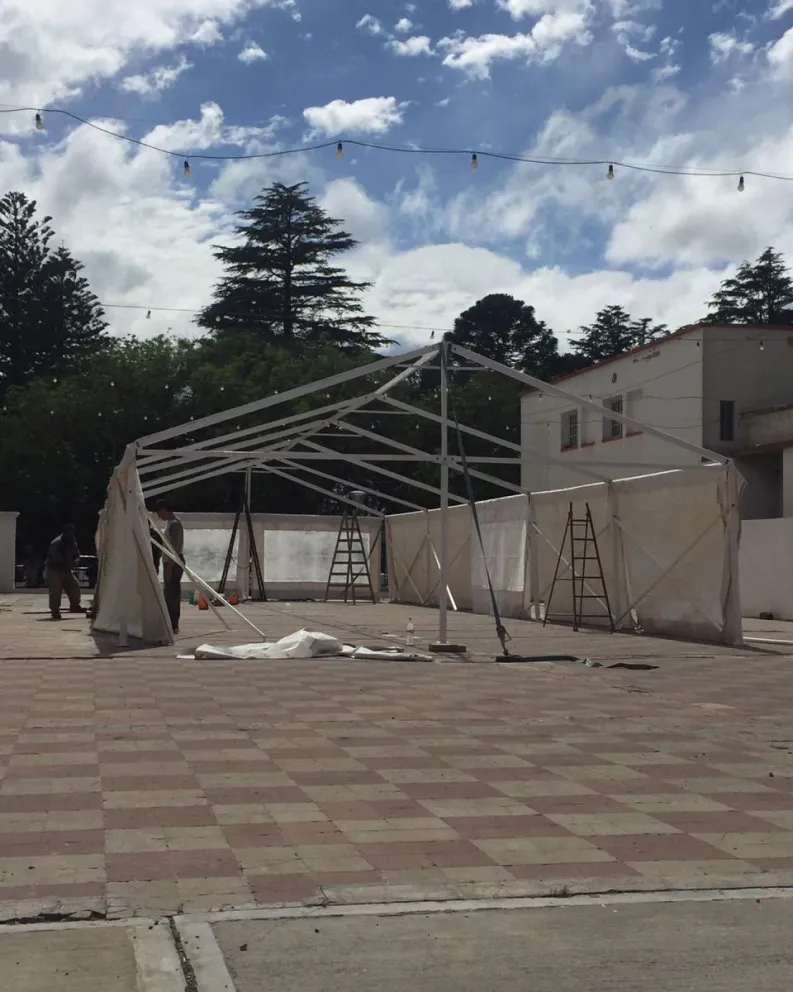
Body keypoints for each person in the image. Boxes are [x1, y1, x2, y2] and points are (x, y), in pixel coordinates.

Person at [155, 498, 184, 634]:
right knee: (169, 593)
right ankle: (170, 622)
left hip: (173, 563)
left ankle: (173, 623)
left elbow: (175, 548)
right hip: (170, 562)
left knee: (172, 593)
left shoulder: (174, 524)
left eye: (159, 513)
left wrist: (169, 566)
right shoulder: (170, 524)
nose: (159, 516)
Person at [45, 524, 86, 620]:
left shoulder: (72, 543)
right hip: (54, 570)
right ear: (65, 533)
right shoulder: (56, 543)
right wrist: (68, 564)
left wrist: (76, 561)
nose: (71, 535)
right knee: (55, 591)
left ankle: (75, 605)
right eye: (70, 533)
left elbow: (77, 555)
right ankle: (55, 610)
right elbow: (56, 559)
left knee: (74, 586)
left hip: (66, 569)